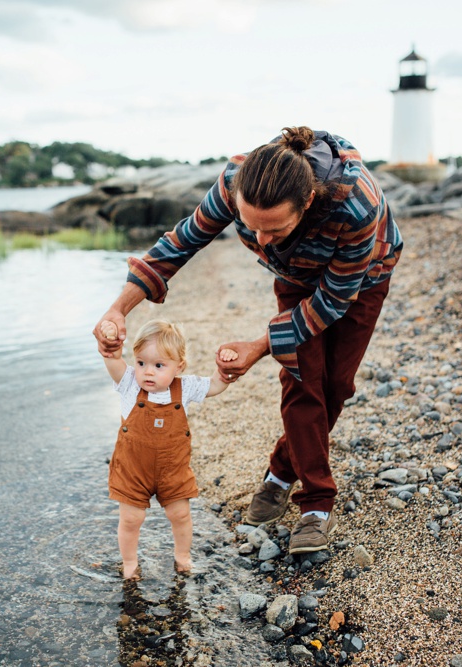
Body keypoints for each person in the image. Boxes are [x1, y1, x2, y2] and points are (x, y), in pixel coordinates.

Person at [94, 126, 402, 554]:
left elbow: (331, 302)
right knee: (301, 376)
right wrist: (117, 309)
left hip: (363, 278)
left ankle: (280, 470)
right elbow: (179, 244)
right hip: (294, 273)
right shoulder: (233, 182)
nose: (261, 241)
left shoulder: (356, 207)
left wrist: (258, 347)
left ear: (307, 202)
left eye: (274, 230)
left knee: (336, 387)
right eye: (252, 228)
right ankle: (315, 504)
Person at [99, 318, 236, 579]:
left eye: (159, 365)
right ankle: (129, 563)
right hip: (132, 471)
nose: (148, 372)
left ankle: (182, 556)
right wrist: (111, 342)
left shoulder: (184, 387)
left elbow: (217, 385)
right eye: (141, 363)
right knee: (131, 520)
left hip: (172, 471)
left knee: (180, 515)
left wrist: (225, 368)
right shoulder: (129, 383)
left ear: (178, 366)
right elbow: (113, 360)